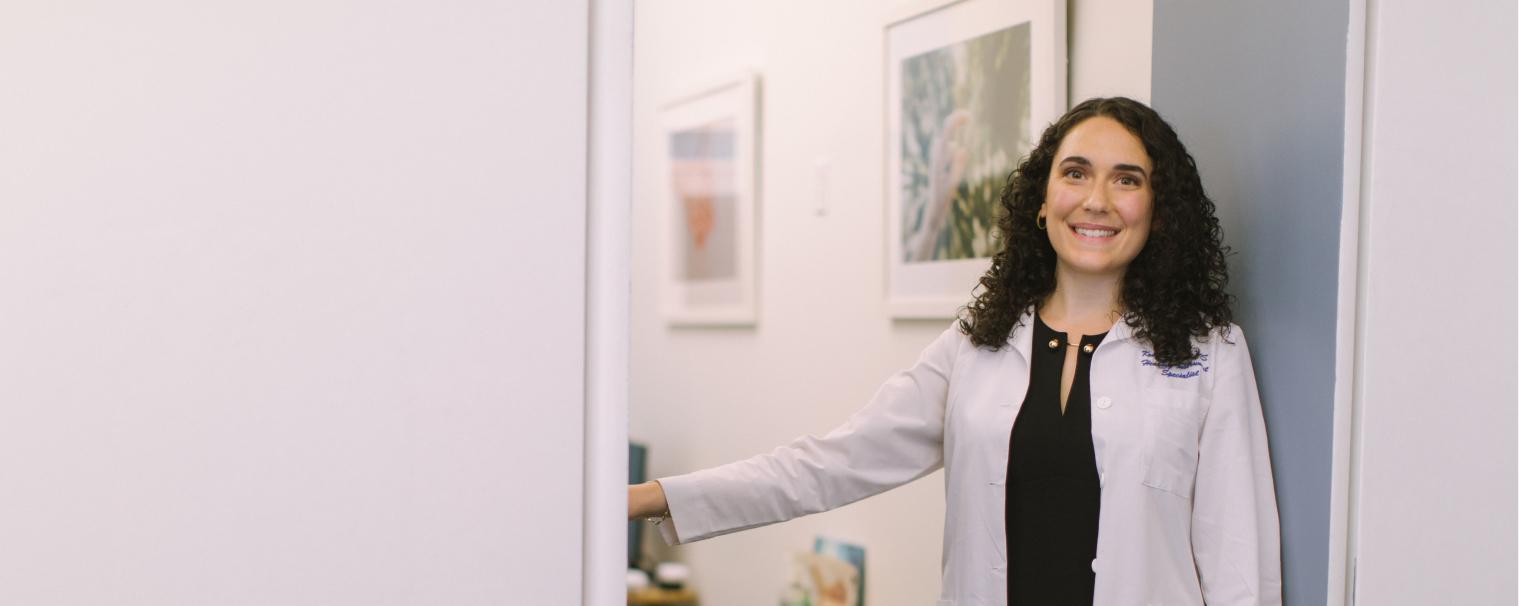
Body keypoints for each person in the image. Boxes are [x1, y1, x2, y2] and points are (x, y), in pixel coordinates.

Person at [628, 97, 1281, 605]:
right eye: (1075, 173)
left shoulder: (1208, 352)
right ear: (1040, 199)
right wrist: (654, 496)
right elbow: (833, 463)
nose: (1095, 201)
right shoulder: (979, 343)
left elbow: (1238, 565)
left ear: (1158, 210)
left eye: (1126, 180)